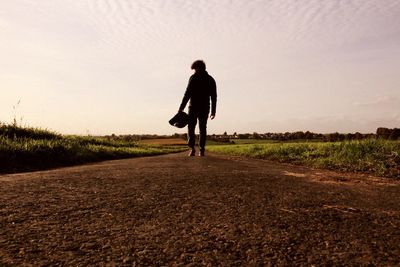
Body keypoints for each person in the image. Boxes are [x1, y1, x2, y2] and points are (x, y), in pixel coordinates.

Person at [178, 60, 217, 156]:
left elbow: (187, 94)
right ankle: (201, 150)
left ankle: (193, 149)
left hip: (194, 107)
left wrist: (181, 108)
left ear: (199, 68)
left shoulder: (194, 78)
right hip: (204, 107)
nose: (194, 71)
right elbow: (214, 97)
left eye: (195, 69)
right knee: (202, 128)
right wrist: (213, 111)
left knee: (192, 128)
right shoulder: (210, 79)